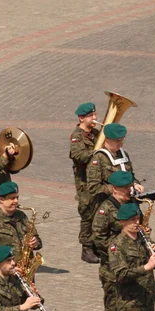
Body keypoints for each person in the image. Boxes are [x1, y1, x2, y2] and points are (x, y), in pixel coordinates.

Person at [92, 170, 135, 311]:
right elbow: (98, 238)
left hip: (131, 261)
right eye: (125, 188)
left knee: (127, 301)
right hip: (111, 266)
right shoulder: (105, 209)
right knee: (113, 303)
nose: (129, 190)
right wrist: (118, 246)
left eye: (130, 186)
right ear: (115, 189)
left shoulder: (132, 203)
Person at [0, 182, 42, 271]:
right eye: (12, 198)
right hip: (3, 276)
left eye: (17, 197)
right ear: (1, 199)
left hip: (25, 271)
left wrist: (35, 242)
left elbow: (38, 242)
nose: (16, 201)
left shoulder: (21, 216)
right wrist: (8, 269)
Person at [69, 102, 101, 263]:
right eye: (91, 116)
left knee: (98, 212)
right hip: (85, 184)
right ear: (81, 118)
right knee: (87, 214)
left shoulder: (96, 133)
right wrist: (97, 153)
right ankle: (86, 248)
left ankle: (96, 245)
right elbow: (78, 155)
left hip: (97, 180)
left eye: (95, 115)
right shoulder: (77, 136)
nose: (95, 118)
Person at [86, 122, 143, 205]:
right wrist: (118, 189)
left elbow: (130, 175)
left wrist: (135, 183)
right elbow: (93, 188)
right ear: (107, 139)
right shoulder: (98, 158)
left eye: (122, 140)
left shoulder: (124, 154)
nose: (121, 143)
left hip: (127, 201)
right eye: (117, 141)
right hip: (109, 204)